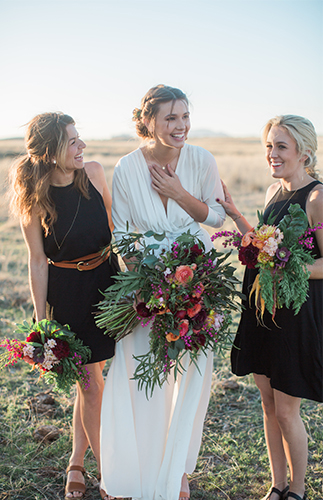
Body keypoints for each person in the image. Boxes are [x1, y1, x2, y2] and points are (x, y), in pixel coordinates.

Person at [99, 84, 226, 500]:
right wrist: (151, 288)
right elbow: (122, 234)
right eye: (170, 117)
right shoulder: (128, 167)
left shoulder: (201, 160)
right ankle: (141, 467)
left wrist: (180, 194)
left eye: (185, 116)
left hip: (198, 282)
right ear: (148, 120)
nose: (181, 126)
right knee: (141, 375)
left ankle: (178, 468)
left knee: (191, 376)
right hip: (147, 288)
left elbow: (217, 215)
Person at [9, 112, 119, 500]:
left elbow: (115, 228)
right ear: (51, 151)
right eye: (72, 141)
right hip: (67, 293)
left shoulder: (94, 173)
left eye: (79, 139)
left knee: (92, 383)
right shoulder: (34, 198)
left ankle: (76, 461)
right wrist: (41, 322)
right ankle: (109, 474)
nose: (81, 147)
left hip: (107, 286)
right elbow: (37, 261)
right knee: (90, 384)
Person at [217, 115, 323, 500]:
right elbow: (263, 245)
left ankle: (297, 490)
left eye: (281, 146)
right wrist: (234, 214)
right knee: (266, 402)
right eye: (268, 146)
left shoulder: (317, 198)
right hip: (261, 308)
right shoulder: (271, 194)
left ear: (305, 152)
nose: (272, 154)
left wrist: (286, 266)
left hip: (295, 314)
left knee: (286, 410)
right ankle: (277, 486)